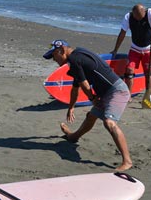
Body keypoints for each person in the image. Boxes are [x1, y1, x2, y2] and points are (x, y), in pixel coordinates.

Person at [44, 40, 133, 171]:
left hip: (117, 91)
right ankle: (73, 137)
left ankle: (127, 161)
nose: (53, 60)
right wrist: (71, 107)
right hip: (105, 93)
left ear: (61, 50)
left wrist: (92, 98)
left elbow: (85, 85)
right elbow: (76, 88)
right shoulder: (77, 56)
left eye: (54, 56)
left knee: (109, 122)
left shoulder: (75, 59)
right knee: (91, 116)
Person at [110, 3, 151, 104]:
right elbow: (122, 33)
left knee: (148, 73)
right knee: (129, 71)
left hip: (149, 48)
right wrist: (115, 49)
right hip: (135, 48)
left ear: (144, 12)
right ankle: (128, 96)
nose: (138, 19)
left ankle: (148, 95)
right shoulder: (128, 17)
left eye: (140, 17)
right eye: (136, 16)